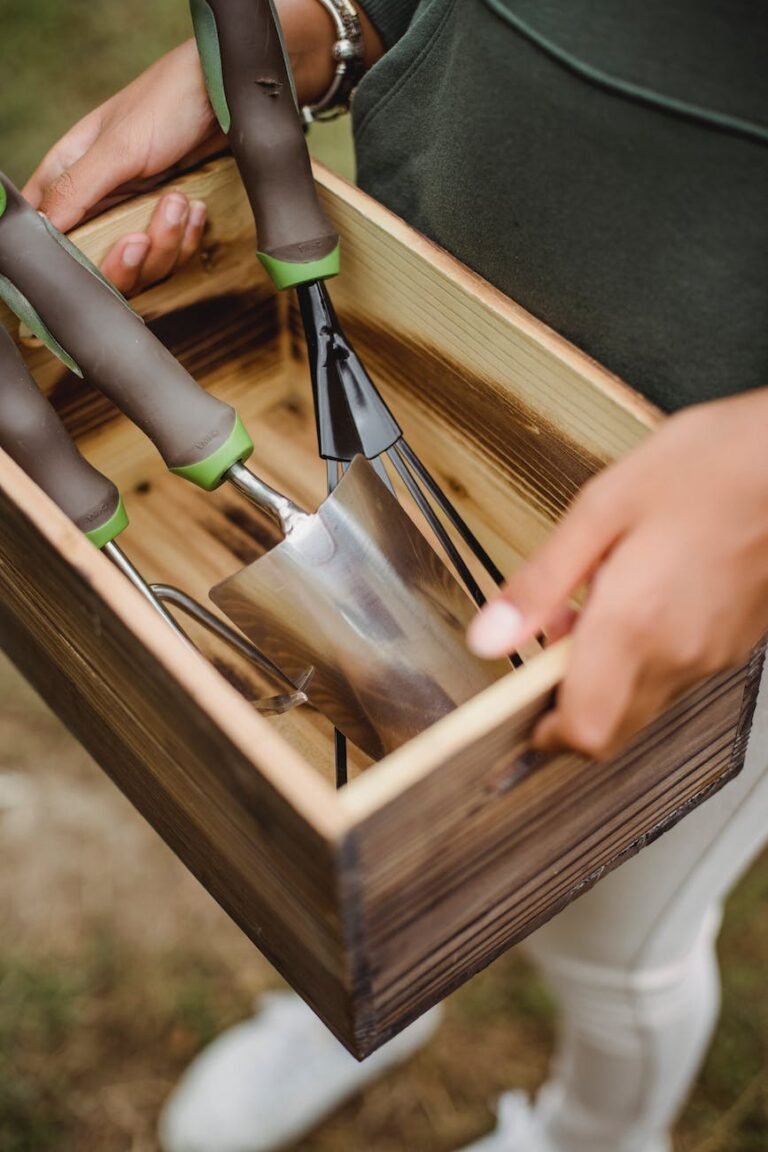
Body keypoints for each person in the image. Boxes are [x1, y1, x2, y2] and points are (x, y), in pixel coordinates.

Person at [24, 3, 768, 1150]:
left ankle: (593, 1134)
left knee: (614, 946)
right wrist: (350, 22)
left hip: (715, 559)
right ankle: (373, 1000)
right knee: (365, 892)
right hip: (419, 322)